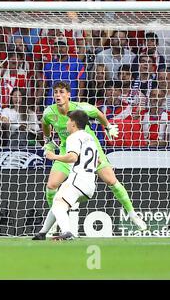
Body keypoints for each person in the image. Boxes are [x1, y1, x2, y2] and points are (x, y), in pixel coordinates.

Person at [32, 82, 147, 240]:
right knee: (51, 185)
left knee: (111, 180)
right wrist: (49, 140)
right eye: (56, 92)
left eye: (61, 92)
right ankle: (54, 222)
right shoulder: (49, 112)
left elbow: (99, 114)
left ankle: (133, 214)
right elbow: (45, 125)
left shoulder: (82, 108)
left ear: (68, 95)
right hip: (67, 148)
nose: (58, 95)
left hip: (89, 145)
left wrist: (108, 127)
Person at [36, 110, 99, 240]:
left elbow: (72, 157)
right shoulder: (90, 138)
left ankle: (67, 233)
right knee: (58, 202)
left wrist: (54, 156)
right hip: (90, 185)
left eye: (69, 120)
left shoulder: (73, 137)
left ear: (74, 124)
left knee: (59, 203)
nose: (67, 123)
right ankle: (42, 233)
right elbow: (98, 161)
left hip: (78, 180)